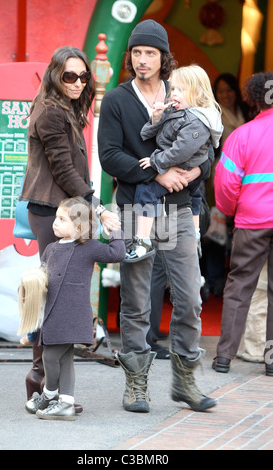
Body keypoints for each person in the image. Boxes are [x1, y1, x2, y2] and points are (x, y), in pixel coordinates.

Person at [98, 19, 216, 412]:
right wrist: (158, 172)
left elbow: (206, 146)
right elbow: (110, 156)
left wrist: (197, 171)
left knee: (190, 297)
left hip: (180, 211)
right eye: (137, 52)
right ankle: (136, 384)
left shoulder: (178, 92)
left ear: (164, 58)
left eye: (151, 53)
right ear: (130, 57)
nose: (143, 60)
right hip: (136, 210)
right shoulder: (117, 100)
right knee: (136, 300)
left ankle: (185, 381)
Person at [19, 46, 121, 404]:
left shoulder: (66, 109)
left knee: (56, 295)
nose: (77, 83)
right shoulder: (49, 111)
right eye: (69, 76)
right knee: (52, 296)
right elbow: (62, 167)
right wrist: (98, 207)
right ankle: (39, 382)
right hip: (51, 211)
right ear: (54, 75)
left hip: (62, 208)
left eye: (83, 76)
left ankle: (44, 383)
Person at [20, 197, 125, 420]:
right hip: (52, 316)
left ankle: (49, 395)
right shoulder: (50, 248)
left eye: (61, 219)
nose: (55, 223)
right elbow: (42, 276)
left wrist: (115, 230)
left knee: (50, 356)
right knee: (65, 359)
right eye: (56, 218)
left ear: (79, 226)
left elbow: (116, 254)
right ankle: (65, 402)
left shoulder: (89, 247)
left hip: (71, 315)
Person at [125, 64, 222, 262]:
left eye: (181, 89)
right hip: (188, 174)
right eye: (174, 89)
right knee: (195, 198)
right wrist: (157, 118)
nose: (174, 93)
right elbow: (145, 134)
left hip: (182, 169)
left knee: (145, 191)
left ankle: (143, 241)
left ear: (198, 92)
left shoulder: (198, 120)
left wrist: (155, 161)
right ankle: (195, 238)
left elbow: (181, 151)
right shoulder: (178, 112)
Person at [212, 71, 273, 377]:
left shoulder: (242, 134)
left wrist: (231, 210)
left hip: (252, 221)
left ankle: (224, 357)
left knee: (239, 287)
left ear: (252, 98)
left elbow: (224, 183)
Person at [201, 73, 252, 301]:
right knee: (215, 230)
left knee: (238, 229)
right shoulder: (214, 115)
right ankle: (211, 280)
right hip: (219, 175)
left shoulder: (247, 114)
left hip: (249, 176)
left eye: (229, 90)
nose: (225, 95)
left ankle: (227, 279)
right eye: (220, 91)